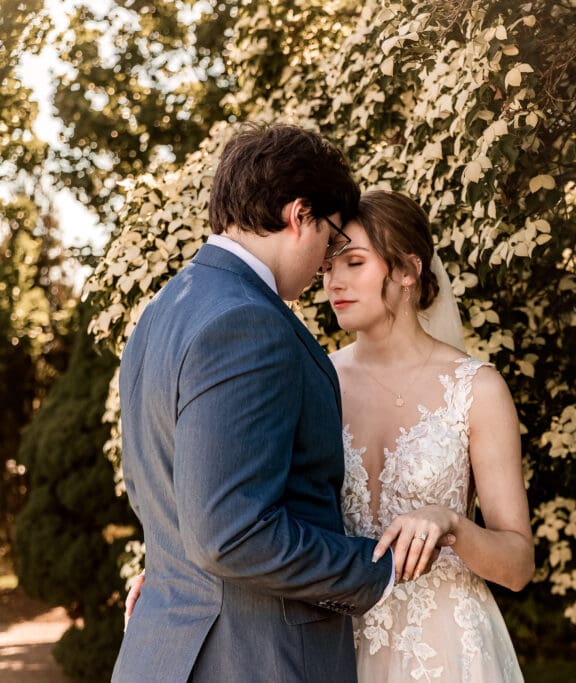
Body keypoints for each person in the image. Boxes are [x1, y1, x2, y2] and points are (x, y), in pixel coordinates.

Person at [114, 124, 395, 682]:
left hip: (167, 652)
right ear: (299, 215)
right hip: (251, 658)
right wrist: (376, 569)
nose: (325, 264)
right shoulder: (247, 322)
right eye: (332, 239)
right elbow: (230, 532)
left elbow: (174, 493)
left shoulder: (164, 310)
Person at [324, 190, 534, 681]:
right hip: (337, 649)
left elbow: (518, 566)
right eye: (327, 267)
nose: (334, 281)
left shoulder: (476, 390)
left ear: (407, 270)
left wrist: (453, 525)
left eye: (353, 262)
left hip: (449, 652)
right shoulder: (317, 383)